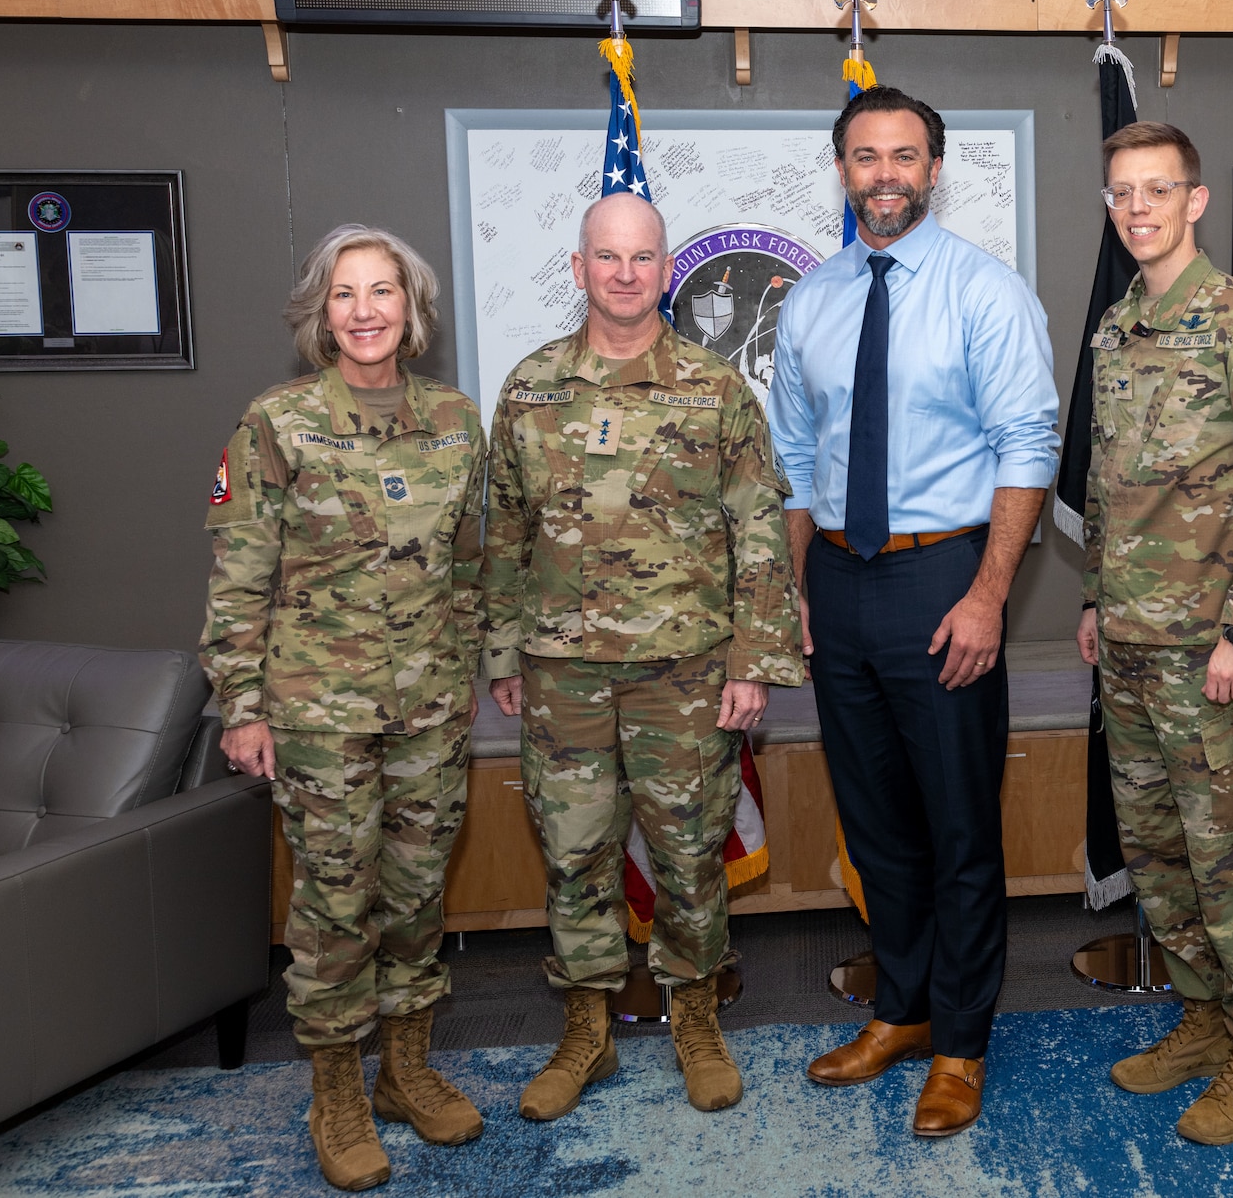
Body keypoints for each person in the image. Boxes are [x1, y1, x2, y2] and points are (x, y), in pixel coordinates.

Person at [769, 85, 1059, 1137]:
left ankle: (962, 1044)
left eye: (903, 155)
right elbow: (795, 457)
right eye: (863, 155)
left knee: (955, 828)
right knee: (878, 827)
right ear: (840, 170)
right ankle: (900, 1010)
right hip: (840, 586)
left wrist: (989, 593)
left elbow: (1027, 444)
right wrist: (803, 584)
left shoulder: (984, 291)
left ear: (934, 170)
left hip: (946, 580)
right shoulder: (809, 301)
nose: (883, 172)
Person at [481, 192, 804, 1121]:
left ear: (667, 270)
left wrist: (754, 662)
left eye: (643, 257)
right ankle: (585, 1030)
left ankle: (695, 1019)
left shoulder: (714, 389)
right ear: (578, 268)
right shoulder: (531, 386)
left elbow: (757, 532)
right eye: (607, 257)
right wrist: (503, 649)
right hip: (562, 677)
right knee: (575, 856)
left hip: (685, 673)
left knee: (690, 854)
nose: (626, 273)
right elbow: (504, 529)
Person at [203, 224, 487, 1192]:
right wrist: (240, 705)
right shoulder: (276, 421)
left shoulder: (454, 418)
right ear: (319, 313)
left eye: (383, 292)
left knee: (415, 894)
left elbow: (469, 562)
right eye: (344, 294)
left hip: (429, 706)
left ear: (413, 308)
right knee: (334, 903)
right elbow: (239, 578)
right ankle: (336, 1088)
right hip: (318, 711)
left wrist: (477, 668)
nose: (364, 311)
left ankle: (406, 1068)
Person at [1074, 122, 1233, 1145]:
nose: (1137, 209)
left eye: (1155, 190)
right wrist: (1092, 598)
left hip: (1213, 656)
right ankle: (1205, 1017)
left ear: (1195, 200)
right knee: (1162, 855)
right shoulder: (1115, 327)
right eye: (1121, 193)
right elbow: (1106, 484)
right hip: (1130, 645)